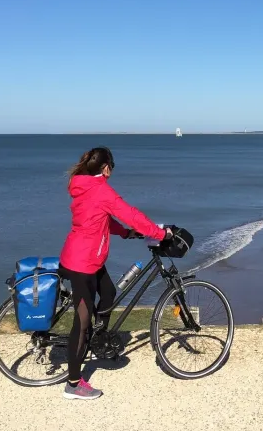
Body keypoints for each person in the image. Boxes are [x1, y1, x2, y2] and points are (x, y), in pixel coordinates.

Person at [58, 146, 170, 400]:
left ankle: (98, 340)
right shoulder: (100, 189)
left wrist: (126, 233)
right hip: (82, 262)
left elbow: (102, 219)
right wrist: (160, 233)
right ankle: (73, 384)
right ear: (106, 167)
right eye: (112, 167)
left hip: (86, 257)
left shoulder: (84, 186)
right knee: (83, 319)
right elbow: (129, 213)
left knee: (108, 292)